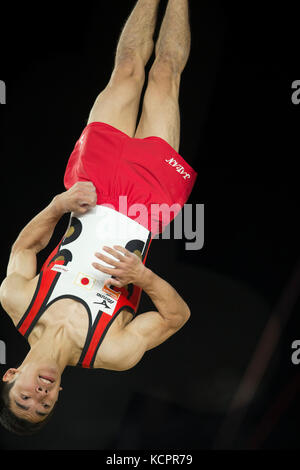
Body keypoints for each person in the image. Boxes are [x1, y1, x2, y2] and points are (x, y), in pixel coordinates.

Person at [0, 0, 197, 435]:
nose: (41, 395)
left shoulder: (17, 301)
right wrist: (142, 279)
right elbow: (175, 317)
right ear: (58, 400)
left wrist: (58, 205)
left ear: (10, 375)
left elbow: (24, 247)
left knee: (126, 69)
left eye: (26, 398)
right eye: (44, 406)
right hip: (148, 202)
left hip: (91, 184)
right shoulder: (113, 352)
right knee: (165, 77)